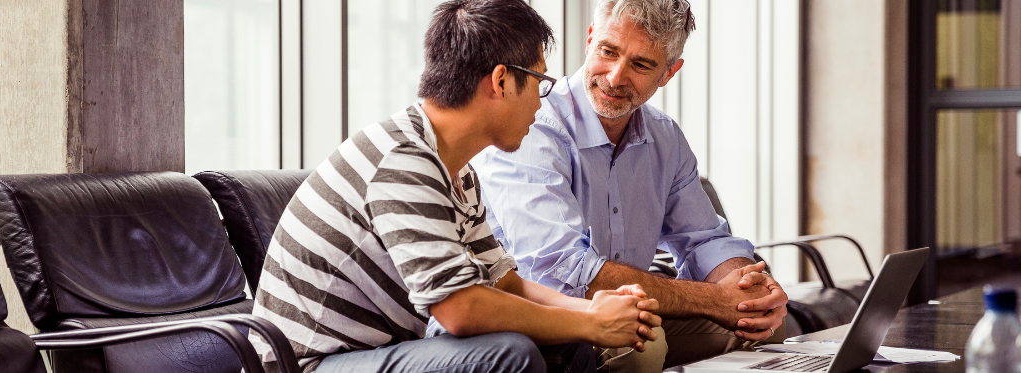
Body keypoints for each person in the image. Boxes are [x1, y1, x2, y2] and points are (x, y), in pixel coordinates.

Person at [248, 1, 661, 372]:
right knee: (509, 355)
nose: (541, 101)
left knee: (569, 345)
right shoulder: (403, 162)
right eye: (539, 82)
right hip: (309, 365)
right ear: (501, 82)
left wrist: (594, 310)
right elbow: (460, 309)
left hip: (373, 353)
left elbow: (505, 284)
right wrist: (592, 321)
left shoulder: (455, 169)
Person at [471, 0, 789, 369]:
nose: (615, 77)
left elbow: (705, 239)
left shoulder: (664, 137)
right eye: (608, 52)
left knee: (760, 327)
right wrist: (713, 299)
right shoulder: (531, 126)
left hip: (632, 311)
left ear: (669, 73)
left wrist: (748, 292)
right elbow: (564, 272)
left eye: (641, 64)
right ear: (591, 40)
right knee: (641, 350)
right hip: (547, 315)